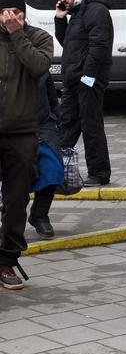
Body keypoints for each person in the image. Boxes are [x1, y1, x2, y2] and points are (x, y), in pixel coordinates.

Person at [0, 0, 53, 289]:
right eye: (6, 13)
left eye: (17, 12)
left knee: (17, 200)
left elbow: (38, 67)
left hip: (22, 131)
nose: (11, 17)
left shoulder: (38, 37)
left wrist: (16, 34)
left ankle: (7, 259)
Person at [54, 0, 113, 187]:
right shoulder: (77, 11)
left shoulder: (96, 10)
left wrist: (87, 77)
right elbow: (68, 43)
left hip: (89, 79)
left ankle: (99, 173)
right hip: (73, 79)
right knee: (66, 122)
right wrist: (60, 18)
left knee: (91, 124)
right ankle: (54, 171)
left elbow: (99, 47)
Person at [27, 71, 61, 240]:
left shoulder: (40, 65)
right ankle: (11, 219)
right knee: (17, 176)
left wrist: (56, 119)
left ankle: (39, 214)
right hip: (12, 127)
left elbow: (52, 98)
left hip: (44, 125)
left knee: (53, 169)